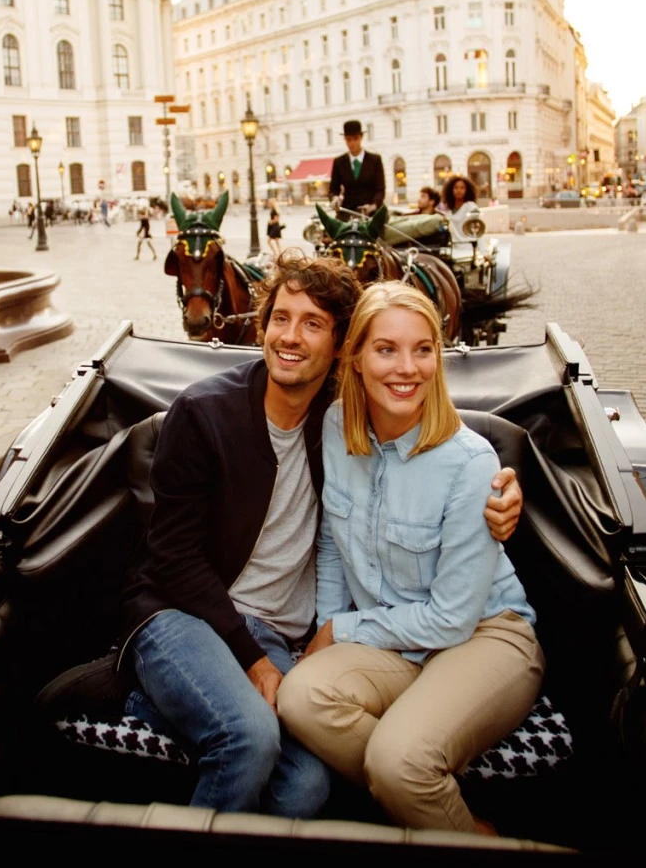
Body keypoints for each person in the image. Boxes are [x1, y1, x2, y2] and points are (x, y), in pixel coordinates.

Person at [119, 253, 526, 819]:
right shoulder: (204, 413)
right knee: (248, 739)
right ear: (260, 328)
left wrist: (504, 489)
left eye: (312, 323)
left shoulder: (336, 420)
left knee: (308, 786)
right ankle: (169, 691)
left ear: (339, 349)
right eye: (280, 318)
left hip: (282, 635)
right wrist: (256, 660)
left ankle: (185, 704)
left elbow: (435, 450)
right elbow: (173, 558)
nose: (290, 337)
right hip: (184, 614)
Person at [278, 283, 542, 834]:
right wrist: (327, 625)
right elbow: (331, 540)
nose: (408, 368)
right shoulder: (335, 428)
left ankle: (431, 799)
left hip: (485, 636)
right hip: (397, 640)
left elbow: (452, 618)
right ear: (354, 358)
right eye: (387, 349)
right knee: (300, 697)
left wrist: (343, 629)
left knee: (399, 759)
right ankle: (427, 794)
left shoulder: (470, 462)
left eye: (423, 349)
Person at [329, 120, 385, 216]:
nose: (352, 143)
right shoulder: (339, 162)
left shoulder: (375, 160)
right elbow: (333, 189)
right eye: (348, 139)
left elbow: (380, 189)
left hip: (371, 212)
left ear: (361, 138)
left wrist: (373, 205)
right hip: (347, 211)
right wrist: (335, 198)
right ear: (345, 140)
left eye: (355, 138)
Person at [439, 175, 479, 248]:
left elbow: (478, 230)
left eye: (462, 188)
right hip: (453, 248)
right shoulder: (448, 210)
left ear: (467, 190)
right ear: (451, 190)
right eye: (456, 188)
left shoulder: (471, 207)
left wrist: (483, 252)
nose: (459, 190)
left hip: (468, 247)